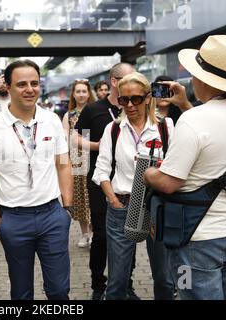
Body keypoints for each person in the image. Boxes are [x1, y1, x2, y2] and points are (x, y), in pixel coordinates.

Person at [144, 35, 226, 300]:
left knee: (189, 293)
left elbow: (168, 182)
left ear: (204, 79)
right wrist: (186, 105)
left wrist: (150, 173)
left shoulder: (193, 121)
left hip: (195, 241)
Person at [0, 59, 73, 300]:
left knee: (59, 291)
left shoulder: (51, 120)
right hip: (13, 218)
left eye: (34, 83)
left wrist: (66, 208)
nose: (30, 89)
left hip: (52, 216)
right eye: (21, 84)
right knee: (21, 292)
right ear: (7, 87)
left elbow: (64, 163)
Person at [92, 72, 175, 300]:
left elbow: (176, 168)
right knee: (117, 280)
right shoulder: (114, 129)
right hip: (123, 205)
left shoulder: (165, 127)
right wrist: (114, 201)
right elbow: (101, 170)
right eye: (123, 99)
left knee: (164, 278)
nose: (129, 105)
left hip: (158, 207)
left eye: (135, 99)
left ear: (148, 98)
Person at [74, 62, 135, 300]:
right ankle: (98, 286)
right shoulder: (94, 109)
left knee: (129, 234)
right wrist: (97, 146)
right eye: (128, 79)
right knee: (101, 235)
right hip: (100, 180)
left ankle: (126, 285)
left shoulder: (136, 106)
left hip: (130, 181)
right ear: (114, 81)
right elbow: (75, 136)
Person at [62, 79, 95, 247]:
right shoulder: (69, 115)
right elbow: (64, 140)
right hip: (76, 161)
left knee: (93, 198)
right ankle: (84, 234)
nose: (81, 94)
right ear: (73, 94)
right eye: (78, 91)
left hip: (94, 158)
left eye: (84, 91)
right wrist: (63, 164)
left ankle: (93, 232)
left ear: (89, 93)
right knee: (79, 199)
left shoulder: (95, 111)